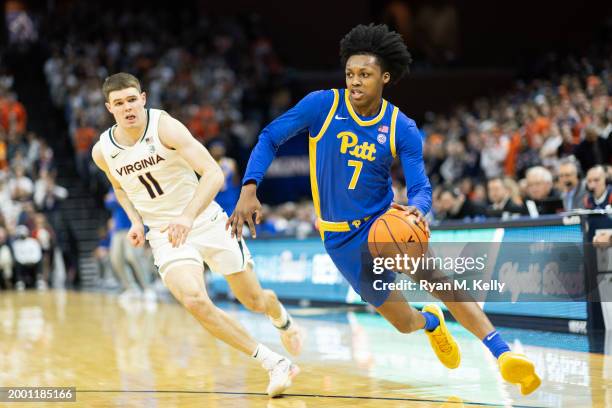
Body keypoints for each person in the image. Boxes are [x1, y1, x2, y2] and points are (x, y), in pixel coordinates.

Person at [228, 24, 540, 395]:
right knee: (403, 322)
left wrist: (419, 209)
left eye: (365, 74)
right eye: (350, 74)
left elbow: (420, 186)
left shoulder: (401, 127)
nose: (355, 81)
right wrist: (250, 187)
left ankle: (502, 354)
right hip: (340, 240)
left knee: (437, 279)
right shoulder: (322, 105)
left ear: (385, 77)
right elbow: (269, 137)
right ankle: (430, 323)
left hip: (383, 225)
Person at [91, 73, 301, 397]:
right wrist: (134, 221)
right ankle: (274, 363)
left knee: (255, 300)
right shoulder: (103, 150)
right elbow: (120, 188)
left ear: (143, 98)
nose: (127, 107)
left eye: (132, 99)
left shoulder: (165, 127)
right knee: (195, 300)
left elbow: (214, 174)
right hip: (165, 234)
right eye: (119, 103)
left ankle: (281, 317)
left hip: (205, 220)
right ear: (109, 108)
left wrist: (187, 217)